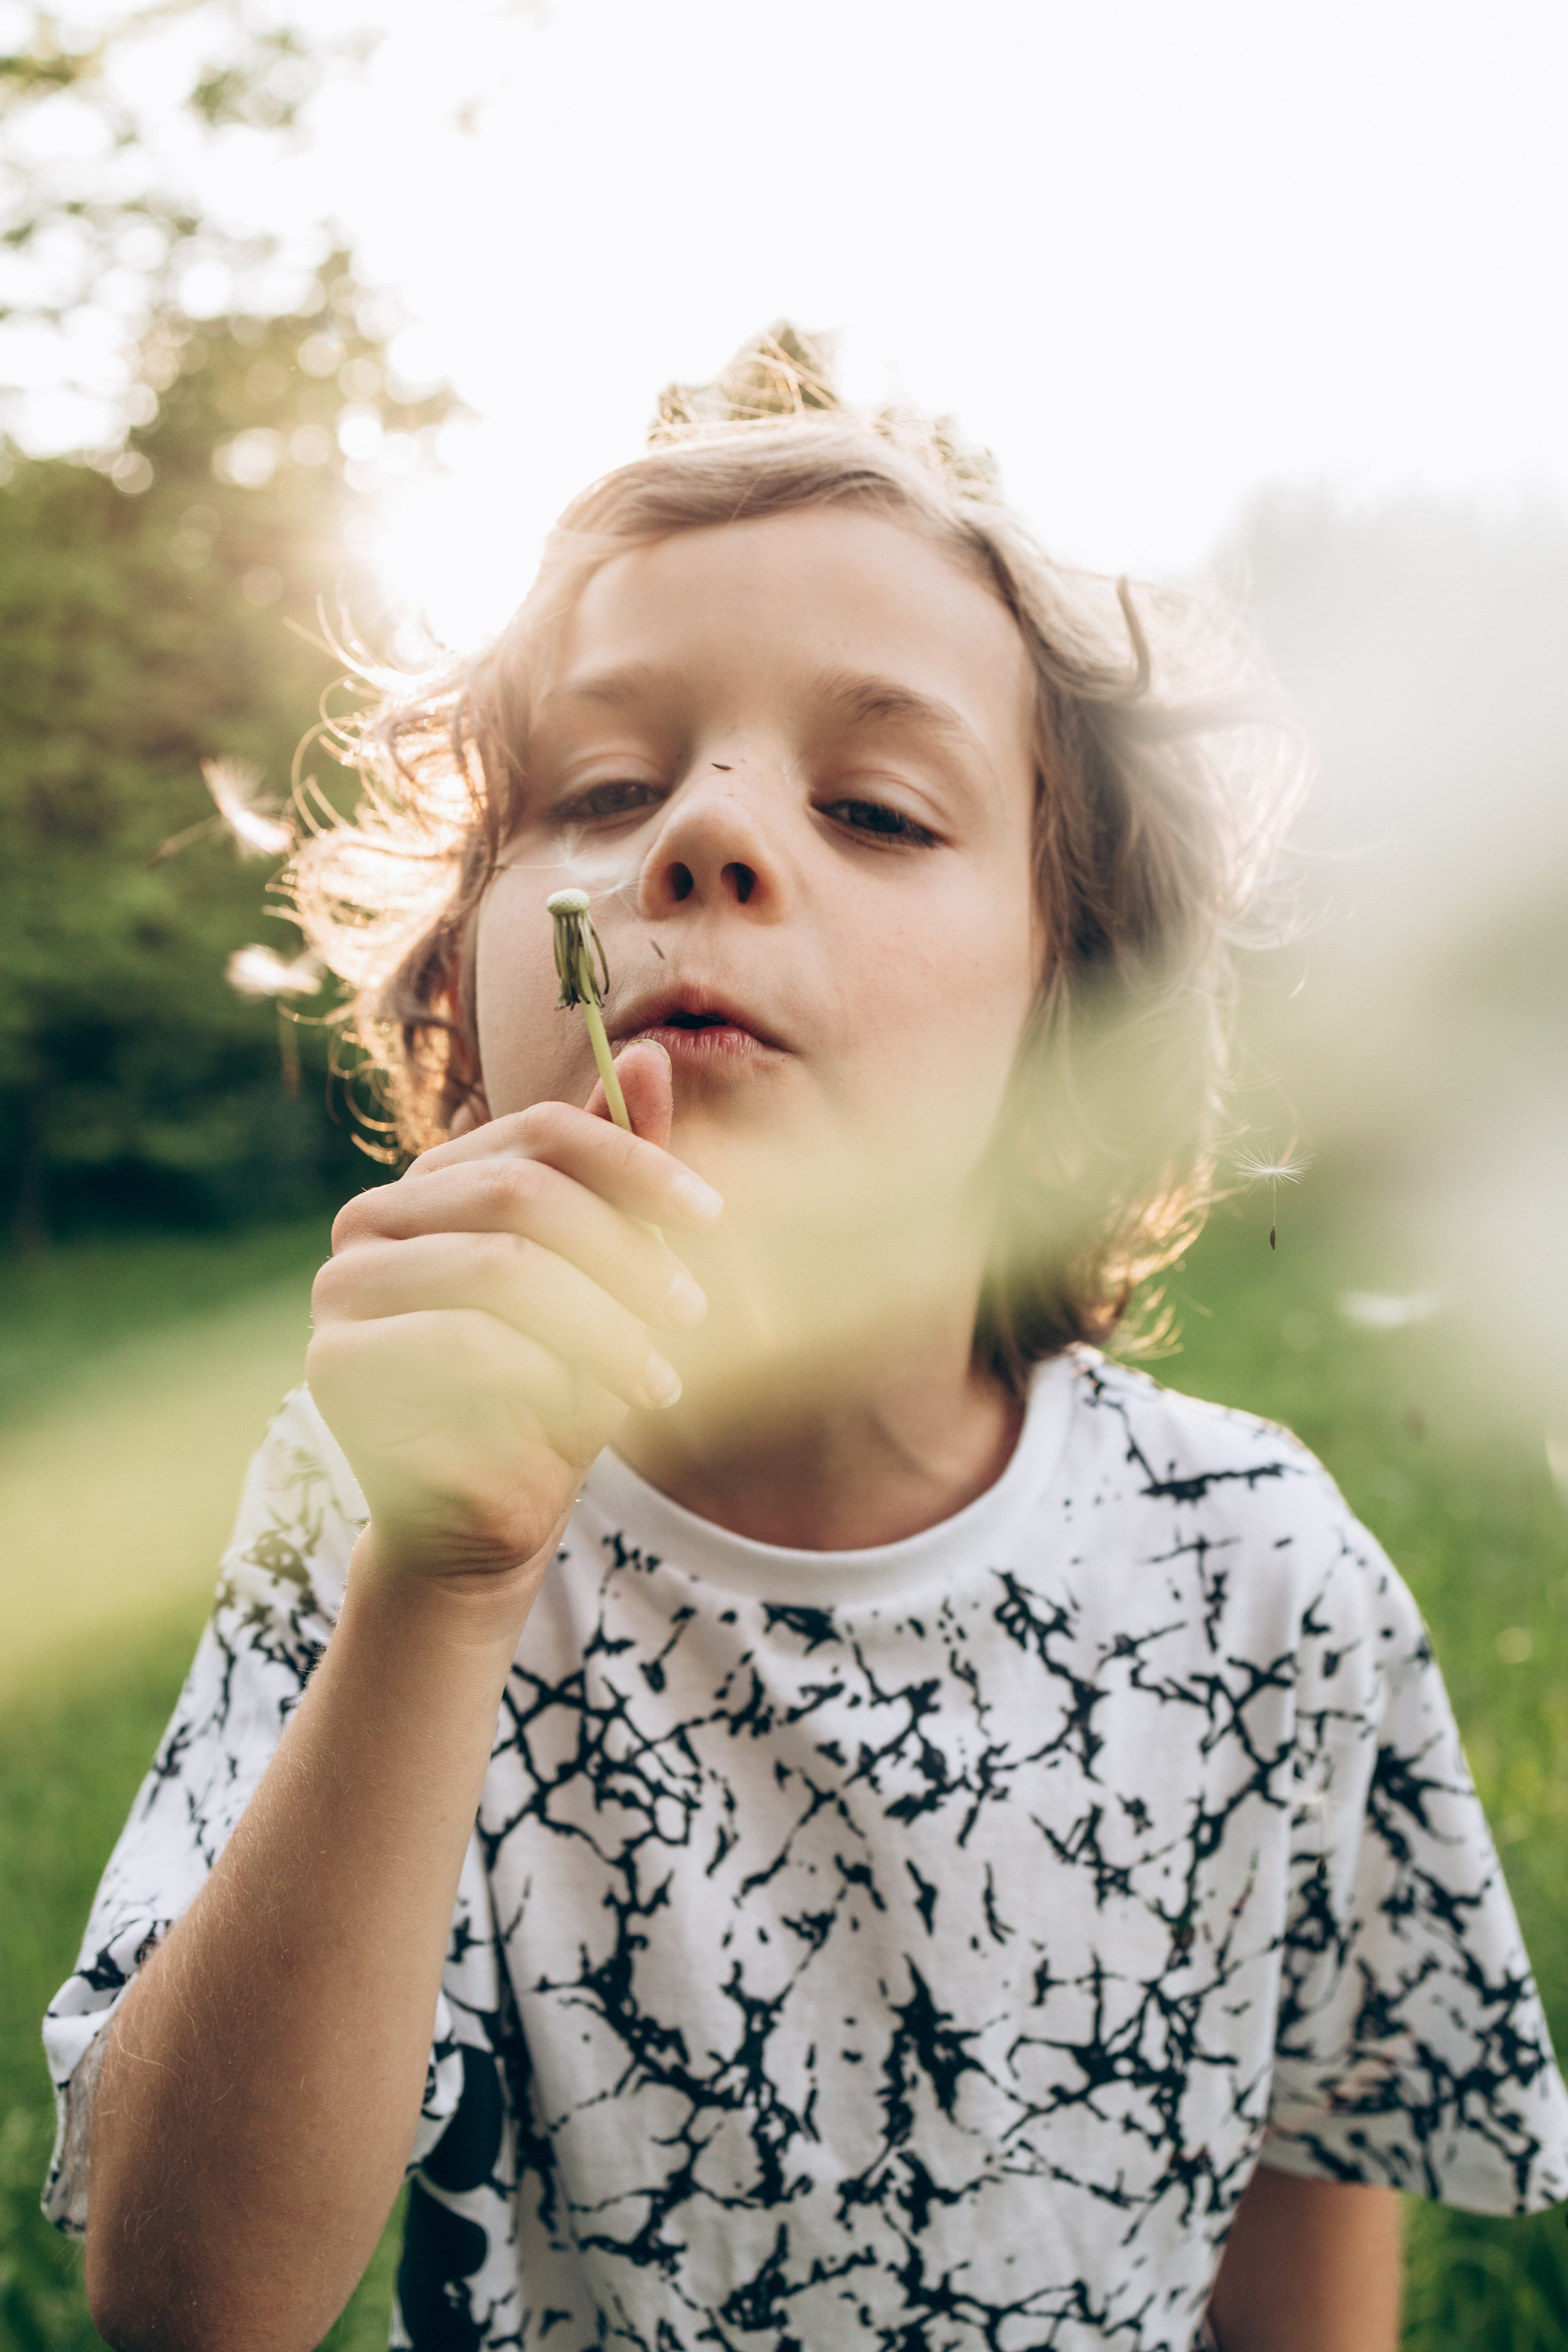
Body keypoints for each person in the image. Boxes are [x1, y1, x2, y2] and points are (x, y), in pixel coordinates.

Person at [46, 334, 1568, 2352]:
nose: (703, 838)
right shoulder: (370, 1514)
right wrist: (438, 1587)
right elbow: (185, 2305)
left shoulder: (1261, 1574)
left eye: (875, 805)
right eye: (602, 788)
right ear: (461, 999)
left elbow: (1307, 2288)